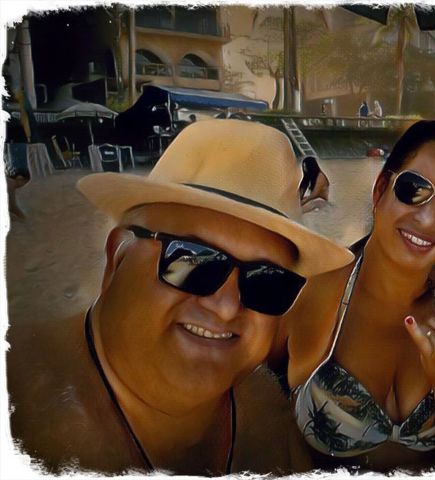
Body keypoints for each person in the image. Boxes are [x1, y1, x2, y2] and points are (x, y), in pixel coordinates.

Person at [7, 119, 353, 475]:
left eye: (266, 281)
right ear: (118, 256)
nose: (226, 307)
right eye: (193, 261)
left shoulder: (268, 416)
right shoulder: (15, 402)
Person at [270, 120, 435, 473]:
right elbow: (245, 405)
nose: (428, 219)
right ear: (381, 188)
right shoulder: (310, 290)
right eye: (414, 189)